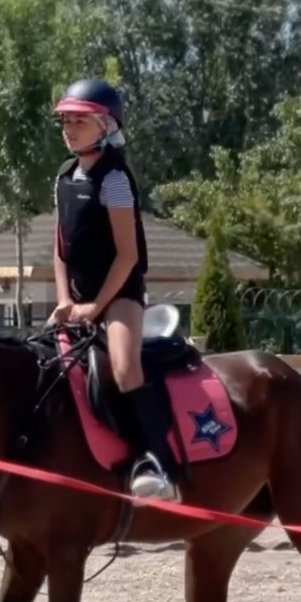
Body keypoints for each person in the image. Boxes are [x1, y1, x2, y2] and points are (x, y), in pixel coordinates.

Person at [47, 76, 181, 503]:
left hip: (119, 297)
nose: (69, 128)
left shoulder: (115, 179)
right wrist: (66, 301)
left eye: (79, 121)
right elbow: (60, 250)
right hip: (79, 300)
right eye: (66, 120)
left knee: (123, 368)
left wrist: (95, 307)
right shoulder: (64, 177)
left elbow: (126, 257)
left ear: (106, 125)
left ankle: (154, 461)